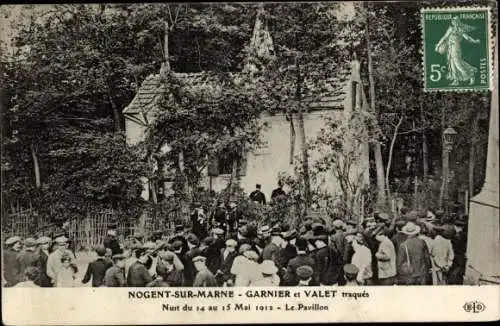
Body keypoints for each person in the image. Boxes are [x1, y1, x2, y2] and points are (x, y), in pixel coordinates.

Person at [435, 16, 480, 86]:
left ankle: (471, 74)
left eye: (456, 21)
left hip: (456, 47)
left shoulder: (460, 29)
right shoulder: (450, 29)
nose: (454, 22)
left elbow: (467, 37)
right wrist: (438, 45)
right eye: (453, 21)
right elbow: (444, 37)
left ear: (458, 22)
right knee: (451, 63)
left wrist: (475, 41)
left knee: (457, 62)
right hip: (450, 48)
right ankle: (456, 80)